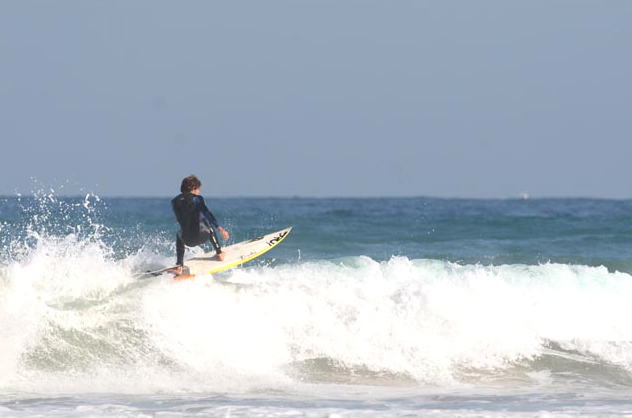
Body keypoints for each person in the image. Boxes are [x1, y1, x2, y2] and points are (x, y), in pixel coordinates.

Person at [172, 175, 230, 275]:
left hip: (188, 240)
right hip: (202, 235)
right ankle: (219, 253)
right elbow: (207, 213)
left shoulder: (174, 201)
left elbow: (179, 220)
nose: (199, 191)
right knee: (206, 223)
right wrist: (221, 230)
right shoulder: (197, 199)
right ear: (193, 188)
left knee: (179, 233)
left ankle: (179, 266)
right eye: (198, 189)